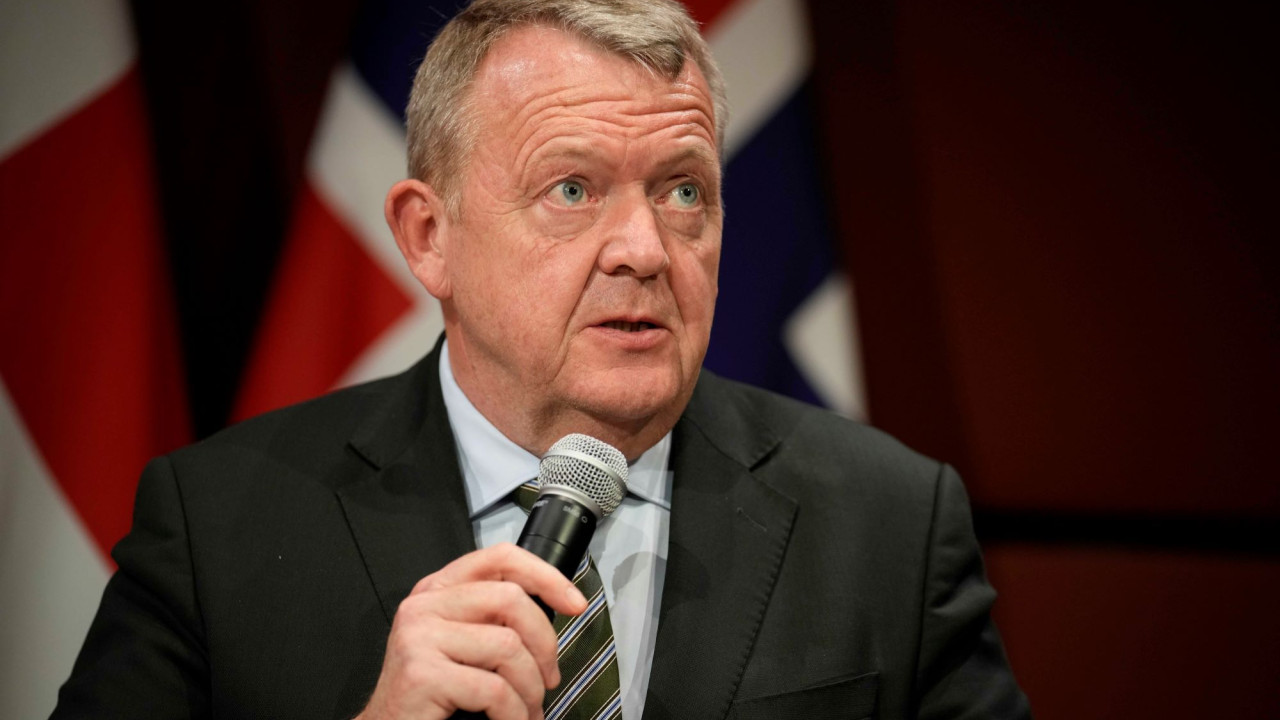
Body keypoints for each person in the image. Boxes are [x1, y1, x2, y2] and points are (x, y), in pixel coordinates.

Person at [54, 1, 1030, 718]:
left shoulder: (888, 524)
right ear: (428, 237)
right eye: (572, 189)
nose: (645, 250)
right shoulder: (217, 526)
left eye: (683, 192)